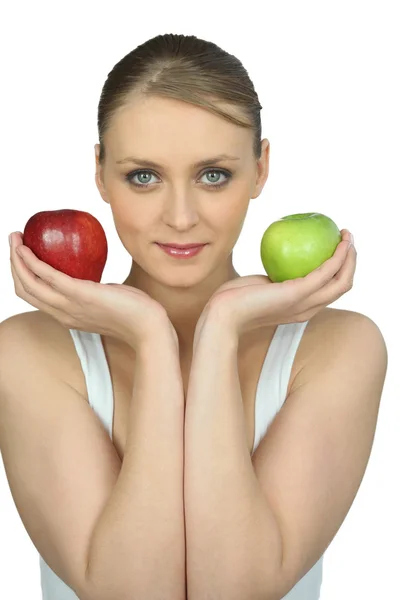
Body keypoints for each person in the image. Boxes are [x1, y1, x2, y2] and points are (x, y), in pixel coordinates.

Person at [0, 33, 387, 600]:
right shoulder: (27, 351)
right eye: (143, 176)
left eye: (213, 175)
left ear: (260, 169)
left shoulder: (341, 347)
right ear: (100, 173)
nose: (180, 217)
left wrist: (222, 329)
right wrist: (152, 337)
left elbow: (236, 590)